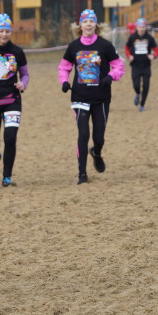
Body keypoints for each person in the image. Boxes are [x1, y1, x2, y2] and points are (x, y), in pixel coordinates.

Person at [59, 9, 124, 184]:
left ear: (96, 25)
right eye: (85, 21)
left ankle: (96, 152)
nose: (88, 24)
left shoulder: (105, 46)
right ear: (80, 25)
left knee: (99, 137)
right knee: (83, 133)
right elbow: (64, 67)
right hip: (80, 96)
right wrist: (64, 81)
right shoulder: (73, 47)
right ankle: (82, 173)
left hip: (101, 98)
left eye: (91, 21)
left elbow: (119, 66)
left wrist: (111, 76)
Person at [0, 13, 29, 186]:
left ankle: (6, 177)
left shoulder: (17, 52)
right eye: (1, 30)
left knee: (10, 137)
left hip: (12, 101)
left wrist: (23, 84)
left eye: (7, 31)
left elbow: (24, 74)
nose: (4, 34)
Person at [124, 17, 158, 111]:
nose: (141, 29)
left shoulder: (149, 38)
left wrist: (154, 56)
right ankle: (138, 93)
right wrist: (129, 56)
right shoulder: (132, 37)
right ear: (137, 27)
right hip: (135, 65)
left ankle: (142, 105)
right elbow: (126, 48)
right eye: (140, 27)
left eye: (143, 27)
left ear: (145, 28)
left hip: (146, 66)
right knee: (136, 85)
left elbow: (156, 50)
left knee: (146, 86)